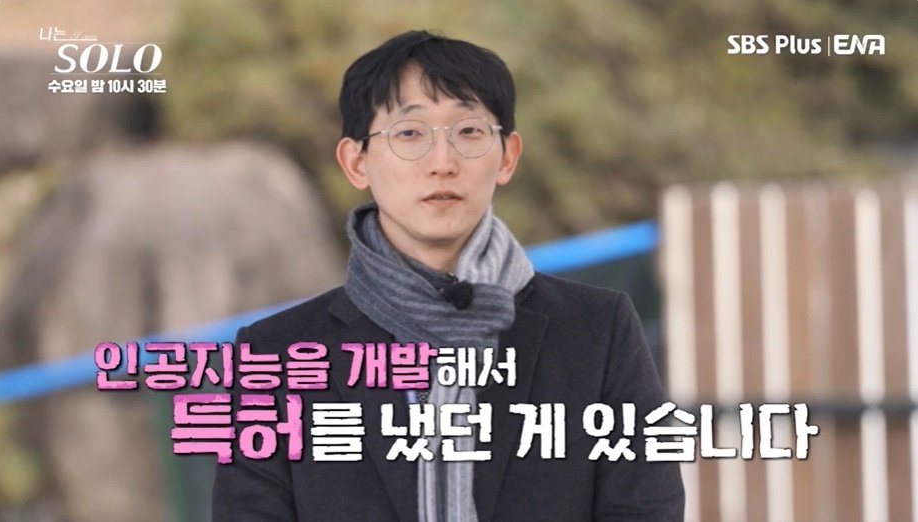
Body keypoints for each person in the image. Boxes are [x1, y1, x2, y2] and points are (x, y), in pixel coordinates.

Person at [212, 29, 684, 521]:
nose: (442, 163)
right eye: (410, 134)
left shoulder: (596, 330)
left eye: (469, 132)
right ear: (356, 162)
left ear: (507, 156)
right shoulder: (275, 355)